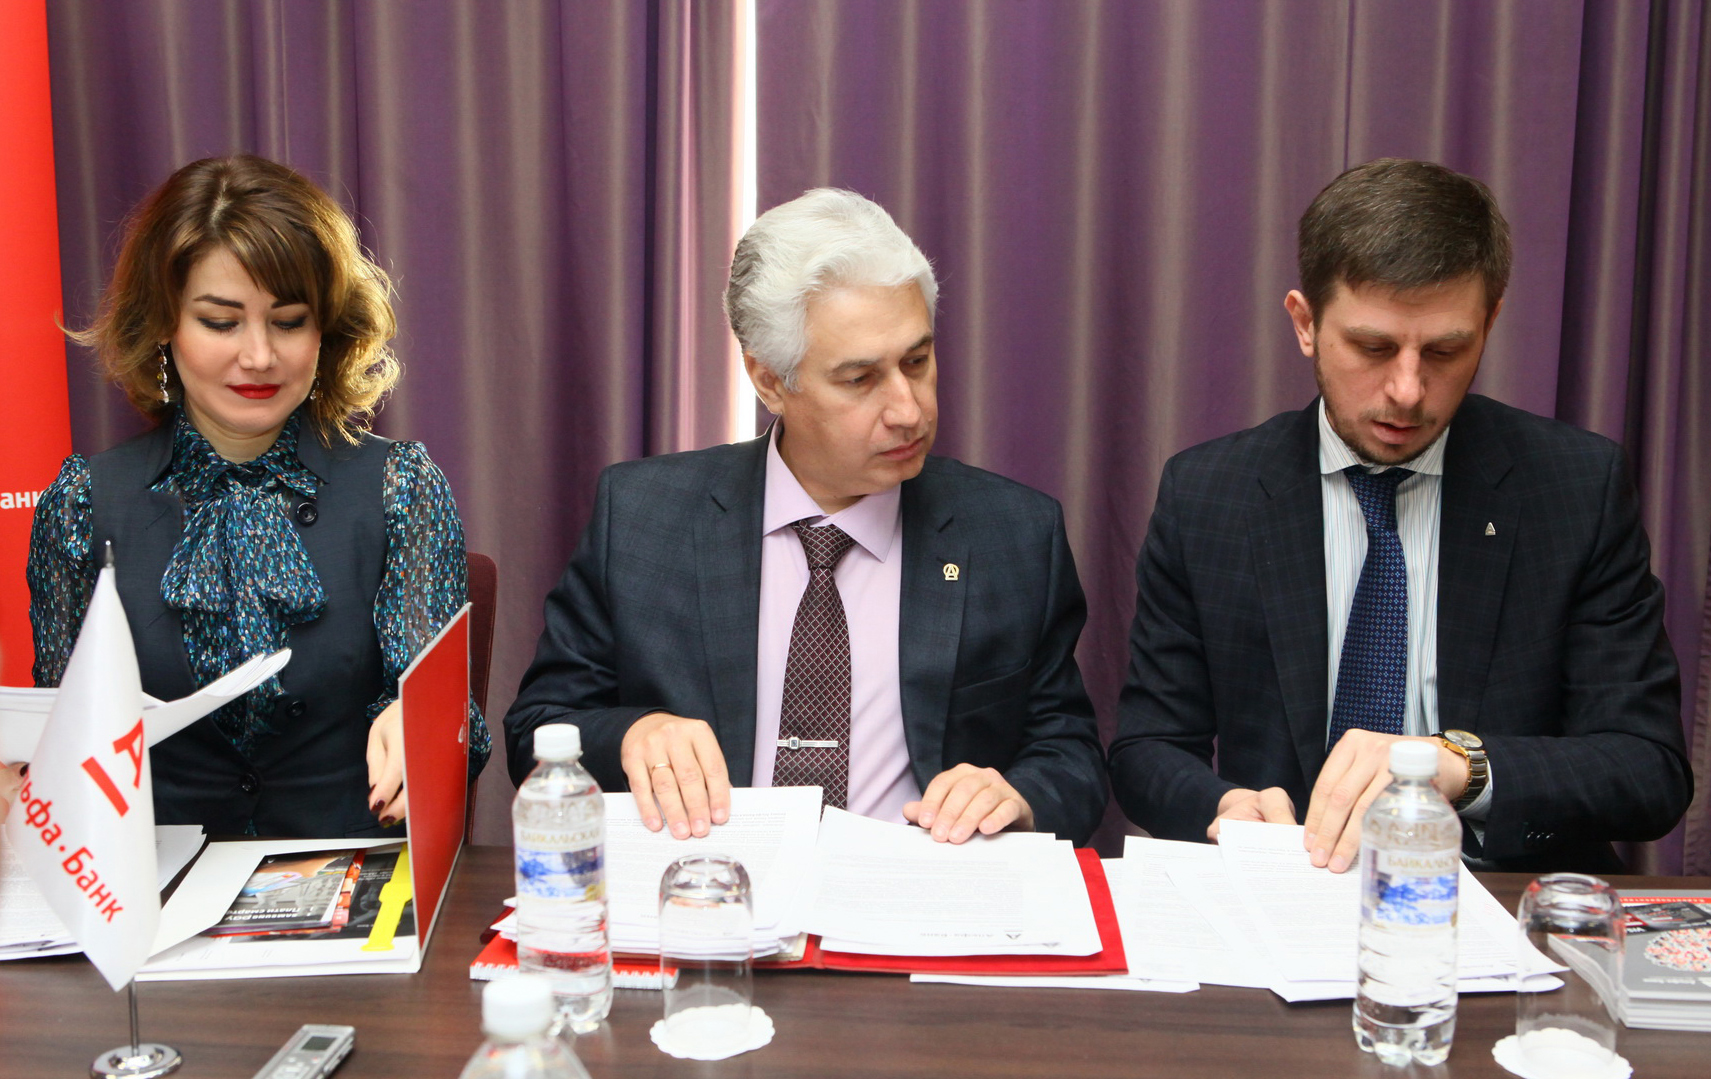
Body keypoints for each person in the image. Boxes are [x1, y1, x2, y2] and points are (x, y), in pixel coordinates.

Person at [1109, 158, 1690, 874]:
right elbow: (1148, 748)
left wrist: (1457, 766)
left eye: (1445, 350)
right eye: (1373, 347)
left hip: (1498, 893)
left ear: (1489, 322)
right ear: (1305, 323)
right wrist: (1223, 805)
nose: (1407, 391)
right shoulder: (1208, 494)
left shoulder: (1573, 488)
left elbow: (1646, 767)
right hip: (1289, 884)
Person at [506, 189, 1106, 845]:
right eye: (859, 379)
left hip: (916, 884)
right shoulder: (643, 517)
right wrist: (632, 734)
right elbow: (535, 728)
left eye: (916, 362)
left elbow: (1070, 756)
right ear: (769, 381)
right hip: (711, 881)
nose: (908, 410)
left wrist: (1017, 796)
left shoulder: (1012, 534)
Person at [27, 154, 488, 838]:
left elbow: (452, 726)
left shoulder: (403, 487)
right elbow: (58, 739)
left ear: (326, 329)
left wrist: (420, 724)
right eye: (221, 322)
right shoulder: (82, 503)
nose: (259, 356)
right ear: (164, 323)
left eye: (289, 321)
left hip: (354, 874)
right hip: (150, 885)